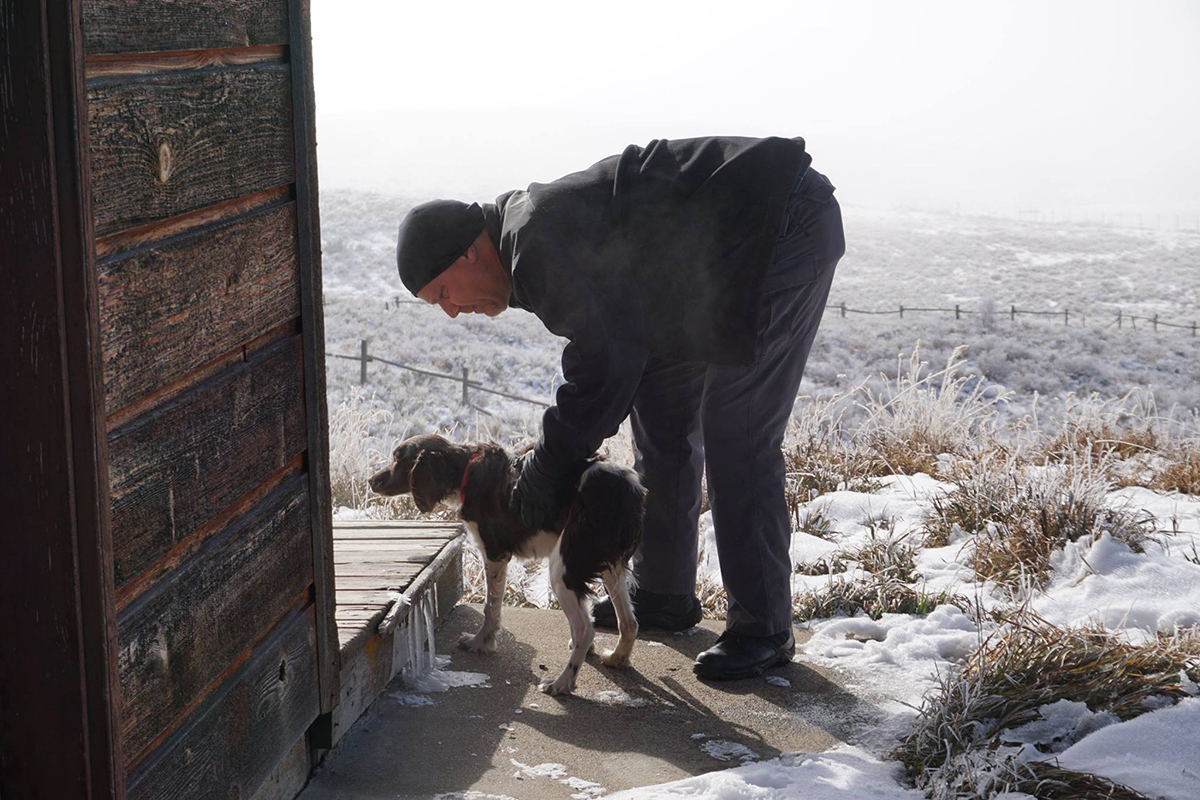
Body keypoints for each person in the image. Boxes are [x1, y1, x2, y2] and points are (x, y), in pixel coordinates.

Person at [395, 136, 845, 680]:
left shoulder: (535, 241)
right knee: (661, 414)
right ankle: (662, 594)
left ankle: (765, 628)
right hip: (712, 265)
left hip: (781, 224)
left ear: (467, 252)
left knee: (737, 428)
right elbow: (620, 351)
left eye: (442, 292)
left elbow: (602, 364)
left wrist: (549, 464)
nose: (450, 312)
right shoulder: (524, 241)